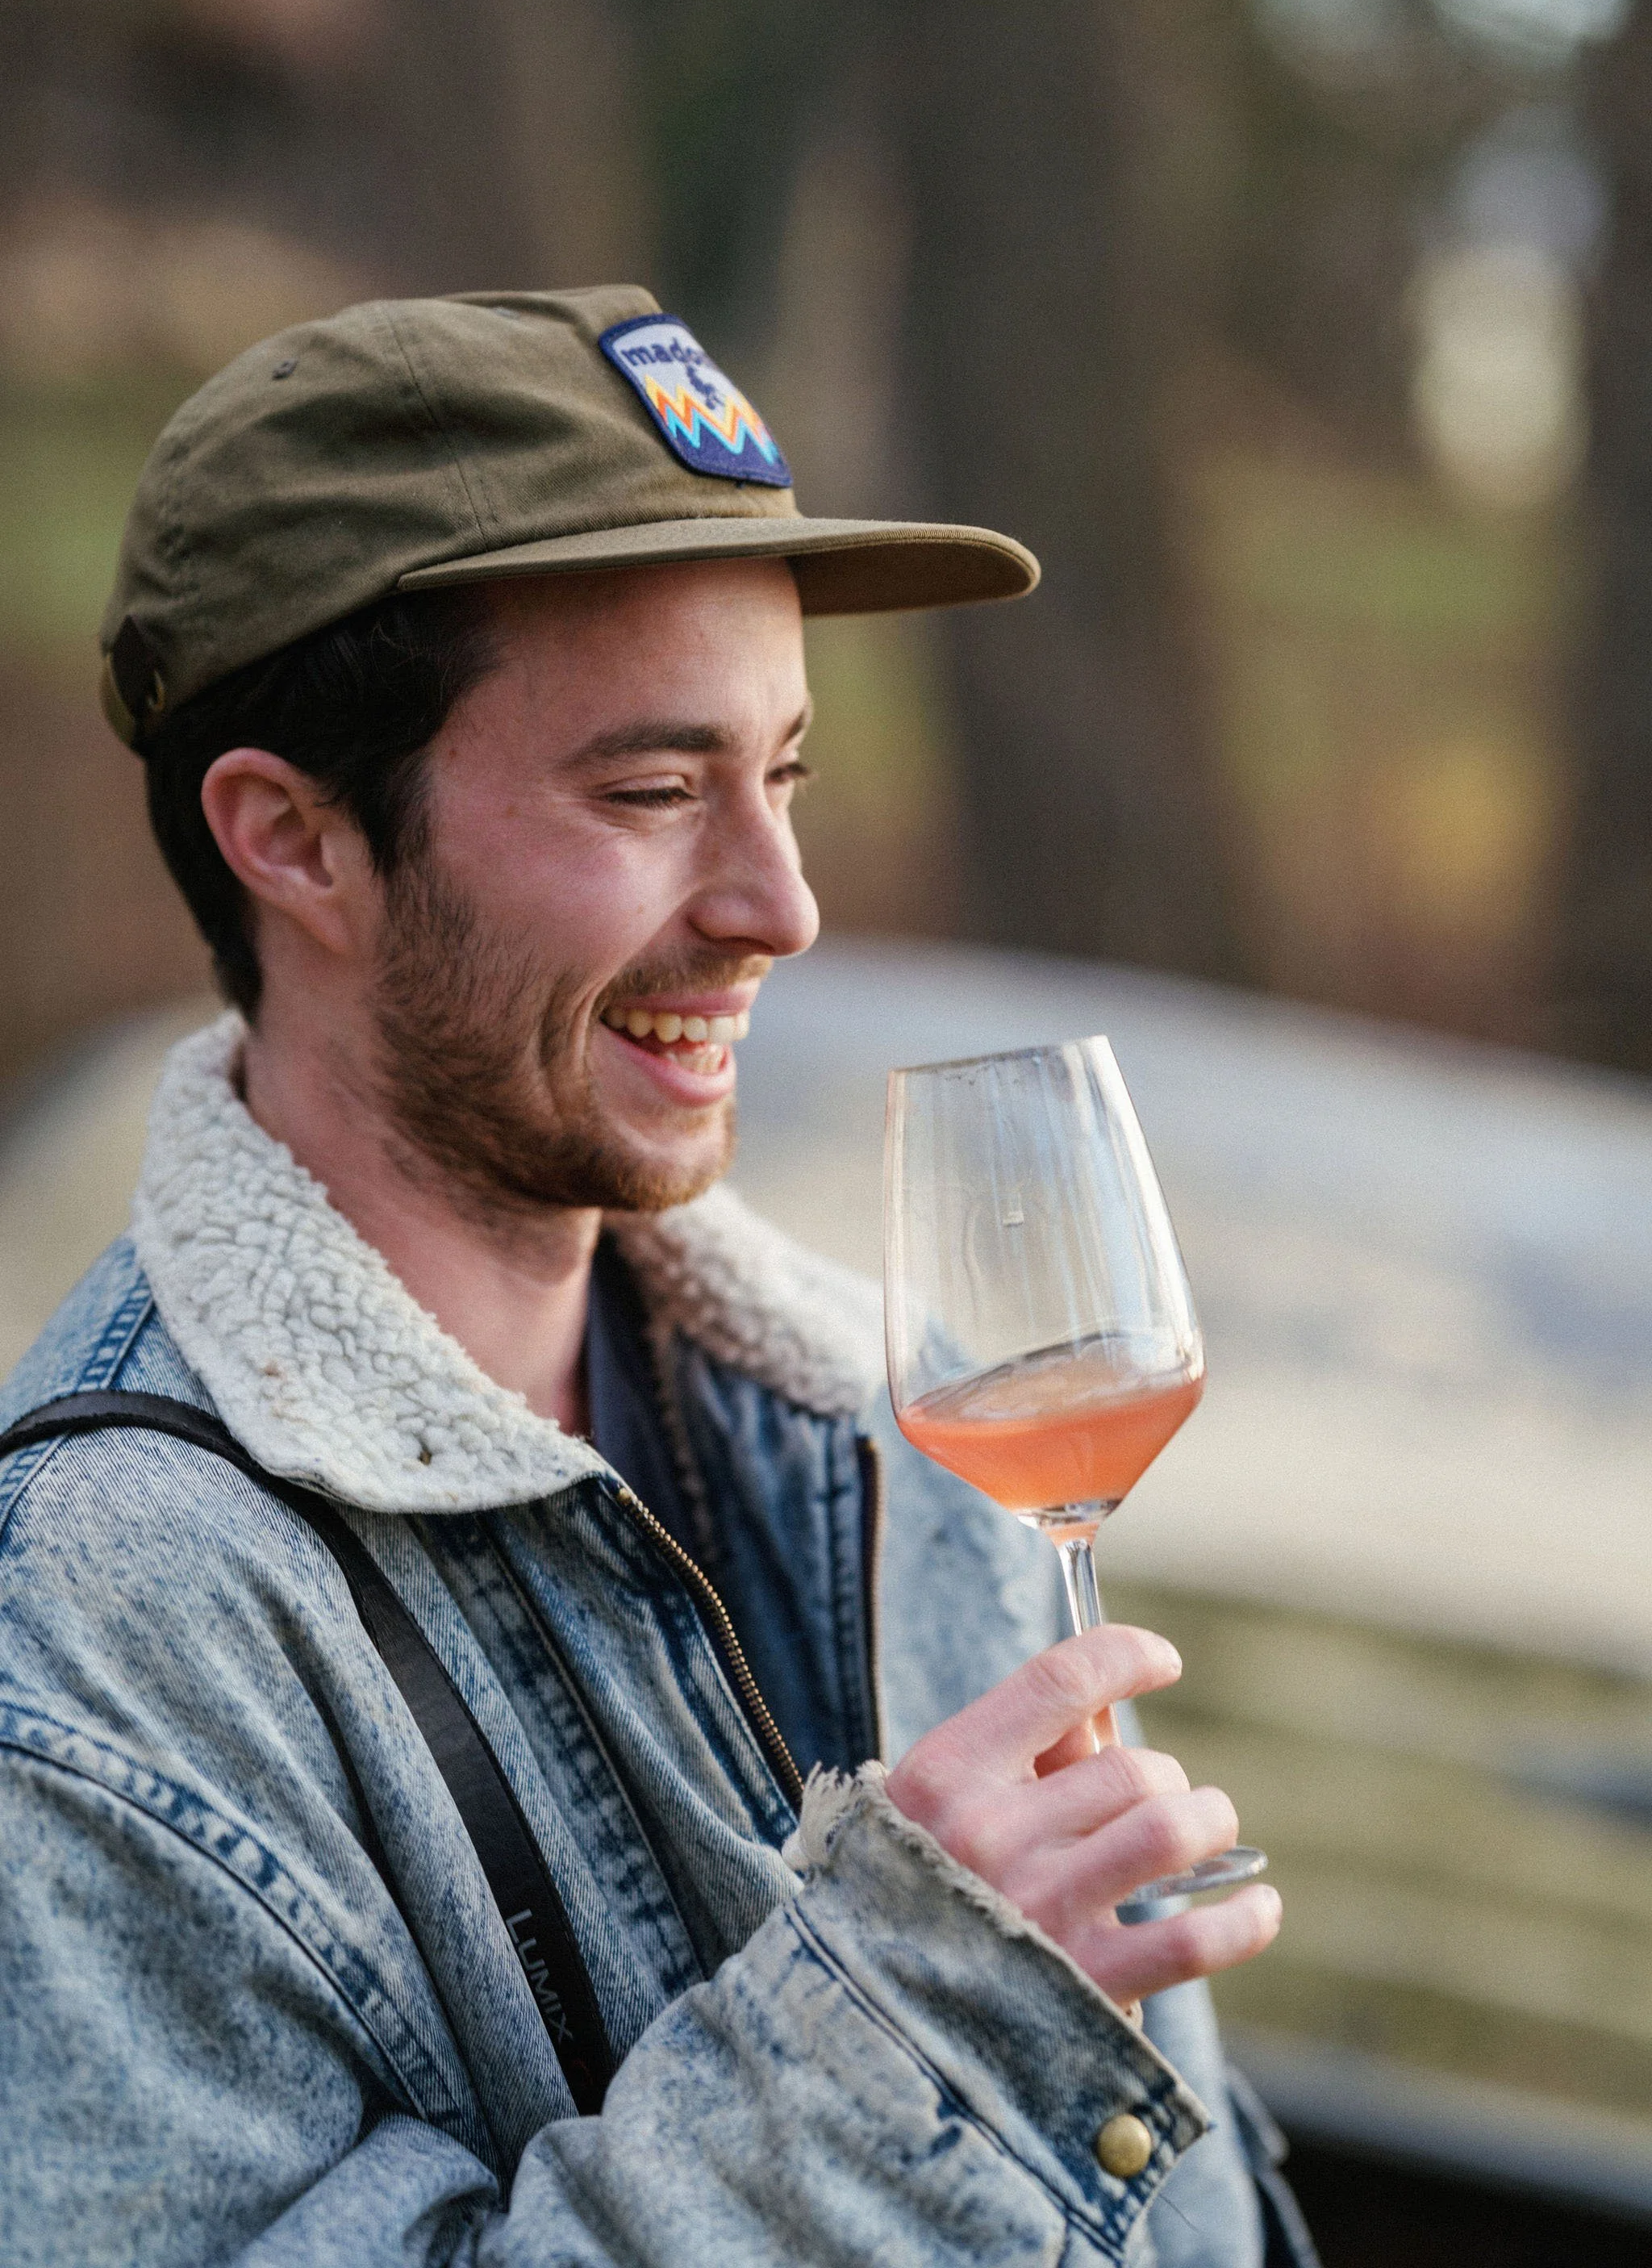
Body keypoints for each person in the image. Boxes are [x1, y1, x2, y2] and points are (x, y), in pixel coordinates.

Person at [0, 287, 1315, 2268]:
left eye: (780, 774)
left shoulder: (906, 1445)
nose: (777, 904)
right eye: (648, 791)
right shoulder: (94, 1631)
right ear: (295, 841)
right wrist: (912, 2043)